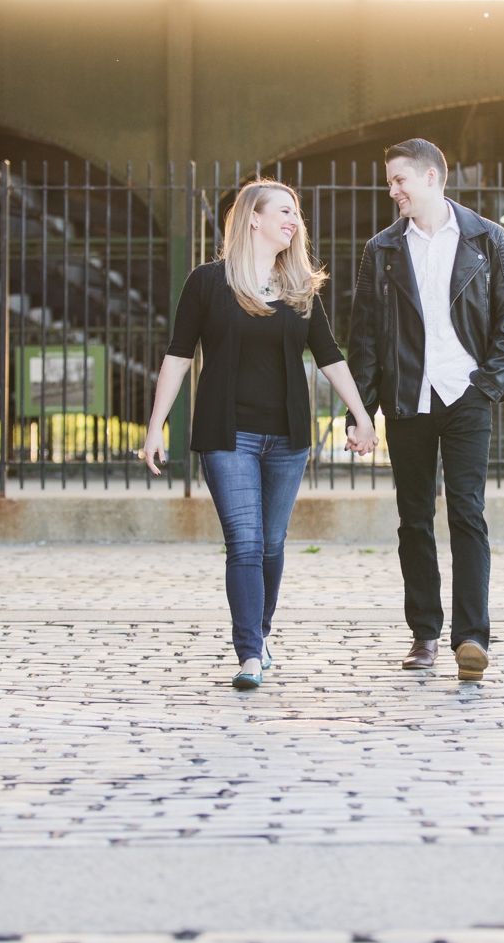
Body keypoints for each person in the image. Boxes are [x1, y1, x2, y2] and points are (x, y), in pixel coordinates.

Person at [142, 179, 378, 691]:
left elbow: (330, 356)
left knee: (271, 543)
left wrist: (361, 414)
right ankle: (249, 653)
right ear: (253, 217)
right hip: (229, 436)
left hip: (288, 436)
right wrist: (156, 425)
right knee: (245, 542)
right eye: (285, 211)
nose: (295, 221)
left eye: (297, 214)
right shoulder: (207, 283)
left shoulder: (299, 289)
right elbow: (179, 356)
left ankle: (261, 633)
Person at [348, 139, 504, 683]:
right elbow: (366, 337)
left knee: (467, 513)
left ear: (432, 178)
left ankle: (472, 637)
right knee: (414, 519)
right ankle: (424, 633)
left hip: (467, 396)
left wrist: (490, 382)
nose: (392, 190)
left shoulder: (487, 239)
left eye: (399, 180)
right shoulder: (380, 250)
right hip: (408, 399)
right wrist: (361, 412)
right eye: (389, 182)